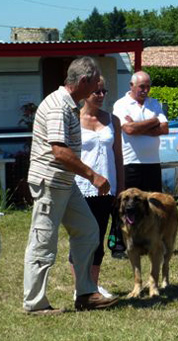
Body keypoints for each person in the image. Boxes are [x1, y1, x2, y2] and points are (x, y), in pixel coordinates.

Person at [23, 57, 119, 315]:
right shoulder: (58, 106)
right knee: (43, 241)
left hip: (65, 182)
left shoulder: (69, 104)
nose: (98, 90)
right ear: (84, 81)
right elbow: (59, 152)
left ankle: (86, 293)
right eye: (95, 84)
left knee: (88, 230)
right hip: (51, 182)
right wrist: (93, 176)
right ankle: (35, 304)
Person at [71, 76, 124, 299]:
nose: (101, 96)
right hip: (81, 187)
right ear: (86, 93)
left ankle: (93, 285)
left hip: (106, 189)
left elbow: (119, 157)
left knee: (99, 236)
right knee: (81, 237)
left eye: (104, 92)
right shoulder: (74, 119)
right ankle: (79, 287)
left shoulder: (113, 120)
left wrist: (121, 188)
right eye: (97, 92)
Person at [111, 71, 169, 258]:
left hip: (152, 163)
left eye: (147, 86)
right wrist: (153, 122)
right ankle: (121, 244)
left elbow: (164, 128)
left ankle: (152, 241)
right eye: (141, 86)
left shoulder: (155, 103)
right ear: (131, 85)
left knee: (153, 205)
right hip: (130, 163)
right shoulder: (121, 104)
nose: (145, 90)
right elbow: (128, 129)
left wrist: (139, 125)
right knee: (127, 206)